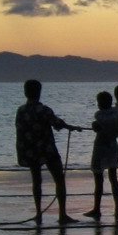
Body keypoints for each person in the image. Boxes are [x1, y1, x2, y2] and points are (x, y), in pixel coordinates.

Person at [14, 79, 86, 224]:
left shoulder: (21, 110)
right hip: (47, 149)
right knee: (59, 179)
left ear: (25, 92)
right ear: (39, 92)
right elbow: (57, 123)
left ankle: (39, 213)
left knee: (36, 181)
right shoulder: (44, 110)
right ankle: (62, 214)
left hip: (31, 151)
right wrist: (71, 127)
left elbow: (20, 132)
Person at [85, 91, 118, 220]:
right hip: (112, 146)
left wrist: (96, 126)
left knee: (99, 179)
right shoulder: (116, 114)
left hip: (100, 147)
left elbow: (99, 126)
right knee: (113, 177)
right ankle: (117, 207)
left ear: (100, 103)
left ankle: (97, 208)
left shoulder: (99, 115)